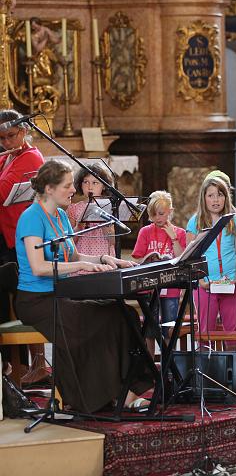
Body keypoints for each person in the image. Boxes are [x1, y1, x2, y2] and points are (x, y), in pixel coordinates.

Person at [14, 160, 152, 412]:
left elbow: (74, 257)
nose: (72, 190)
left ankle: (125, 390)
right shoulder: (31, 217)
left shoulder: (60, 216)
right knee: (100, 319)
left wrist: (103, 259)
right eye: (67, 186)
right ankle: (96, 396)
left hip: (63, 294)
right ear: (49, 188)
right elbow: (39, 267)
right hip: (37, 301)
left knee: (122, 313)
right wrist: (85, 268)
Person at [186, 178, 236, 340]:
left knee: (232, 332)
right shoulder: (195, 222)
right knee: (205, 332)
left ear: (226, 197)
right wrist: (200, 282)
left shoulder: (235, 220)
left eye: (220, 195)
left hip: (231, 282)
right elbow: (190, 258)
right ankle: (205, 365)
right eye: (210, 195)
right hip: (205, 284)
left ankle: (233, 365)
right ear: (203, 198)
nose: (215, 200)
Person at [132, 191, 187, 341]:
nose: (157, 218)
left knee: (169, 329)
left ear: (170, 211)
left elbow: (181, 259)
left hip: (171, 287)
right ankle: (150, 364)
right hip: (149, 286)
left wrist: (173, 237)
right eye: (153, 214)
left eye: (161, 214)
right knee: (150, 330)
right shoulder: (145, 232)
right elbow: (137, 260)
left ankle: (168, 363)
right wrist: (149, 258)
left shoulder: (180, 233)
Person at [0, 109, 45, 264]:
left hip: (14, 231)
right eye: (1, 138)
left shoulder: (30, 157)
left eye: (10, 135)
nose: (6, 142)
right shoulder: (8, 155)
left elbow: (2, 194)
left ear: (23, 130)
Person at [66, 163, 116, 259]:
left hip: (104, 257)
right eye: (86, 182)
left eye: (95, 182)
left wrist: (105, 225)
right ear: (80, 184)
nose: (90, 187)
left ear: (104, 186)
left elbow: (112, 241)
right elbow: (70, 242)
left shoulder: (109, 207)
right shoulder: (74, 208)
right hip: (82, 257)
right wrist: (79, 227)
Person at [204, 170, 236, 234]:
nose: (216, 199)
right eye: (211, 195)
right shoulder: (198, 220)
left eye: (220, 193)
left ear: (228, 193)